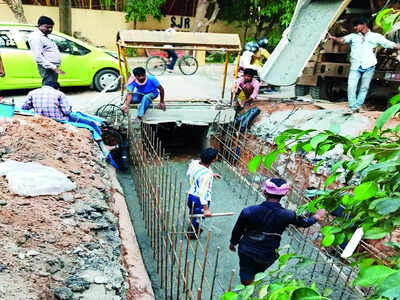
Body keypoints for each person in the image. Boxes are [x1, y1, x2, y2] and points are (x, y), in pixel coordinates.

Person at [229, 178, 327, 285]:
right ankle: (252, 283)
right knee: (258, 271)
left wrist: (233, 243)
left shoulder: (248, 211)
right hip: (268, 253)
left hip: (247, 249)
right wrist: (316, 216)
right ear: (284, 194)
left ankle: (246, 286)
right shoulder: (288, 215)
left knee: (246, 271)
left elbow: (238, 230)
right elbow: (304, 223)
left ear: (265, 192)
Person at [328, 16, 400, 113]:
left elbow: (390, 44)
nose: (355, 28)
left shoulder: (375, 37)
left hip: (369, 66)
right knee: (351, 86)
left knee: (364, 87)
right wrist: (332, 37)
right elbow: (342, 40)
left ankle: (357, 106)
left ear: (363, 25)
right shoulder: (353, 36)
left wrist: (397, 46)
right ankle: (353, 107)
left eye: (356, 25)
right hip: (355, 66)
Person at [186, 148, 221, 239]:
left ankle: (192, 227)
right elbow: (203, 193)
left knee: (193, 213)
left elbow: (199, 173)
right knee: (198, 218)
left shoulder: (195, 163)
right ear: (213, 160)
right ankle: (192, 234)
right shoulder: (206, 175)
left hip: (191, 195)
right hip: (199, 199)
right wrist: (206, 209)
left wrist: (211, 175)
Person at [28, 16, 65, 85]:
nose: (50, 29)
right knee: (48, 87)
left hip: (51, 67)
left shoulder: (44, 36)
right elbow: (38, 57)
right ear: (39, 26)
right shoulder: (36, 37)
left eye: (51, 27)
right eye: (47, 27)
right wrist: (54, 67)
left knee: (52, 87)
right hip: (48, 67)